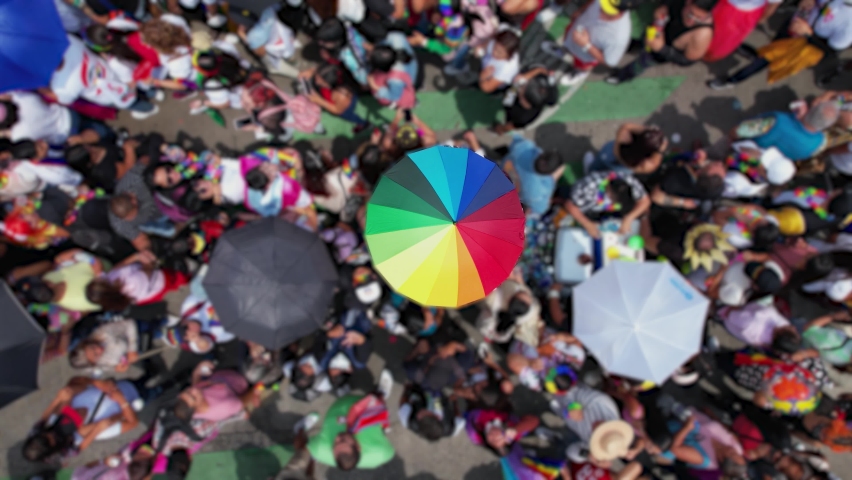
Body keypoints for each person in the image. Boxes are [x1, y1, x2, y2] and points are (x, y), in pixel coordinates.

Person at [708, 0, 852, 88]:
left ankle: (732, 81)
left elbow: (830, 52)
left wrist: (808, 34)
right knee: (770, 48)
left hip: (804, 45)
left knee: (765, 60)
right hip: (796, 23)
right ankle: (755, 55)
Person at [24, 377, 141, 462]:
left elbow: (45, 417)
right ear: (51, 450)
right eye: (50, 440)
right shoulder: (60, 453)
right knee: (88, 430)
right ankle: (122, 413)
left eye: (45, 435)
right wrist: (97, 429)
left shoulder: (36, 431)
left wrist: (58, 398)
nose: (50, 434)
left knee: (65, 397)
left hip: (124, 385)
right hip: (75, 434)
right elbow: (80, 447)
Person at [606, 0, 717, 84]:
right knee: (638, 42)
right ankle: (629, 47)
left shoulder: (703, 34)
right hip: (652, 31)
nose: (691, 21)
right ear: (688, 2)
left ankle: (622, 76)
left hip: (659, 55)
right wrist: (663, 8)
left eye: (699, 18)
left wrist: (661, 48)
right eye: (690, 13)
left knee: (639, 65)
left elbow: (686, 61)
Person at [306, 370, 395, 470]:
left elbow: (303, 445)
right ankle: (381, 393)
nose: (337, 438)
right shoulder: (380, 453)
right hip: (369, 409)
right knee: (380, 415)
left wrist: (303, 427)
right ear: (357, 447)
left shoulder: (319, 450)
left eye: (334, 445)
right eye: (342, 440)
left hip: (342, 401)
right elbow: (390, 453)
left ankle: (344, 391)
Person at [541, 0, 638, 86]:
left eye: (607, 10)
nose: (601, 9)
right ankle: (563, 50)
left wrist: (586, 45)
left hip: (585, 55)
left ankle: (579, 73)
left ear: (621, 12)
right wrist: (581, 10)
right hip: (575, 30)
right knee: (567, 41)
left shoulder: (619, 37)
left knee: (581, 66)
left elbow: (609, 61)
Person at [731, 93, 841, 162]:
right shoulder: (820, 142)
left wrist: (729, 140)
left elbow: (739, 131)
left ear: (811, 109)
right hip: (769, 165)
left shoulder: (778, 121)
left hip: (747, 153)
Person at [566, 170, 651, 238]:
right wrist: (587, 224)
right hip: (587, 207)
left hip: (605, 209)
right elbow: (570, 205)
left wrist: (629, 218)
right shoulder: (588, 187)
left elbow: (645, 200)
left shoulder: (629, 181)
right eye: (615, 200)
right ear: (609, 192)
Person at [501, 133, 563, 216]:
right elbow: (541, 209)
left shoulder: (525, 147)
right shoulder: (538, 191)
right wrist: (553, 179)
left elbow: (515, 140)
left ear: (541, 154)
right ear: (550, 173)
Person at [584, 124, 668, 175]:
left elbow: (626, 127)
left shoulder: (624, 138)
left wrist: (646, 131)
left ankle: (591, 171)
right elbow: (654, 164)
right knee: (611, 175)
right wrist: (660, 150)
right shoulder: (644, 165)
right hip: (623, 169)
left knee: (598, 164)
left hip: (609, 154)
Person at [478, 30, 521, 94]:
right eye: (495, 48)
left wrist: (482, 77)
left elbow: (486, 88)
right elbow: (487, 44)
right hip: (486, 70)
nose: (494, 53)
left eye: (499, 53)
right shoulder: (498, 42)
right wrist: (480, 48)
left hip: (492, 81)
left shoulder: (507, 67)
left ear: (509, 55)